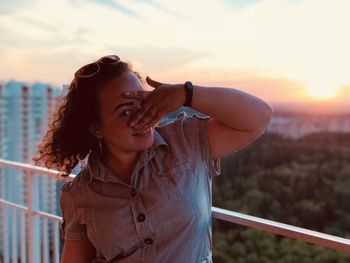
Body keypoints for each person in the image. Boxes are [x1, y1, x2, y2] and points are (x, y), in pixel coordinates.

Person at [33, 54, 273, 262]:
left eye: (144, 103)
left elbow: (259, 117)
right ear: (97, 128)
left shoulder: (185, 142)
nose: (143, 117)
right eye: (126, 111)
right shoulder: (78, 195)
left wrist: (185, 93)